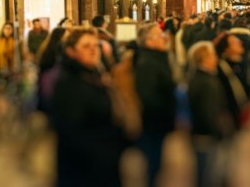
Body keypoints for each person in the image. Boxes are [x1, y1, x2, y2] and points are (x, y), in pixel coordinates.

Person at [50, 27, 127, 187]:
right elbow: (71, 132)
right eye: (86, 46)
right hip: (85, 171)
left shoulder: (92, 75)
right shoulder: (68, 83)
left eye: (95, 45)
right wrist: (107, 153)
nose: (93, 50)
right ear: (71, 51)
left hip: (102, 165)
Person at [133, 21, 176, 186]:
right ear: (149, 41)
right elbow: (148, 96)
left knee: (156, 161)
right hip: (153, 123)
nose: (164, 38)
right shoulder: (148, 63)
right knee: (153, 162)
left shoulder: (157, 58)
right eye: (159, 35)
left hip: (158, 122)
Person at [187, 41, 233, 187]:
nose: (215, 58)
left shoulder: (199, 77)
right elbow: (208, 112)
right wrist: (217, 131)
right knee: (208, 173)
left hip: (200, 134)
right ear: (203, 59)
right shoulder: (206, 82)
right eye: (212, 55)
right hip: (206, 136)